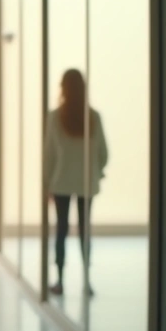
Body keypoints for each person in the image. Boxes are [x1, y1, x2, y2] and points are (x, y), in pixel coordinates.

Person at [44, 68, 108, 296]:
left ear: (63, 88)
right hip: (86, 183)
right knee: (85, 231)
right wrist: (96, 171)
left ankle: (60, 281)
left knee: (61, 230)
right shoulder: (93, 117)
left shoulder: (55, 117)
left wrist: (46, 184)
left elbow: (49, 155)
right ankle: (87, 281)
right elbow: (103, 153)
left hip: (61, 182)